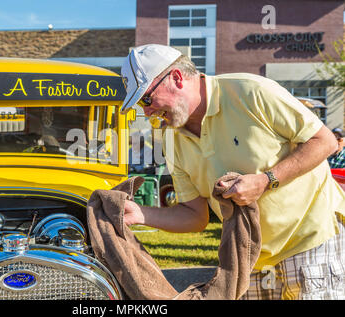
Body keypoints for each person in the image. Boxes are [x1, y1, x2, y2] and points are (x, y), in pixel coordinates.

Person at [120, 44, 345, 300]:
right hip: (249, 259)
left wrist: (265, 180)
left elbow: (324, 141)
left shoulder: (250, 91)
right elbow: (195, 216)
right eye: (140, 104)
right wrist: (140, 214)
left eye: (146, 99)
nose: (147, 112)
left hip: (310, 239)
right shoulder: (171, 137)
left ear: (176, 77)